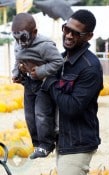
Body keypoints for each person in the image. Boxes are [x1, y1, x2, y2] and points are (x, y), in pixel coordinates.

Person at [42, 9, 103, 175]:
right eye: (66, 29)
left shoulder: (90, 67)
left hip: (78, 144)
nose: (69, 35)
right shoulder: (60, 60)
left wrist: (49, 82)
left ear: (89, 36)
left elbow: (72, 107)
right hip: (63, 140)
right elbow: (46, 91)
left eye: (76, 33)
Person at [11, 13, 64, 159]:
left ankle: (46, 144)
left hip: (44, 84)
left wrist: (40, 71)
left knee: (41, 114)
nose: (20, 42)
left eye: (23, 38)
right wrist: (16, 73)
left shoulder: (45, 45)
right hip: (29, 83)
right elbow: (17, 60)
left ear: (34, 32)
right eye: (16, 38)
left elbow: (58, 62)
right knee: (29, 115)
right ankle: (37, 144)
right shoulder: (18, 44)